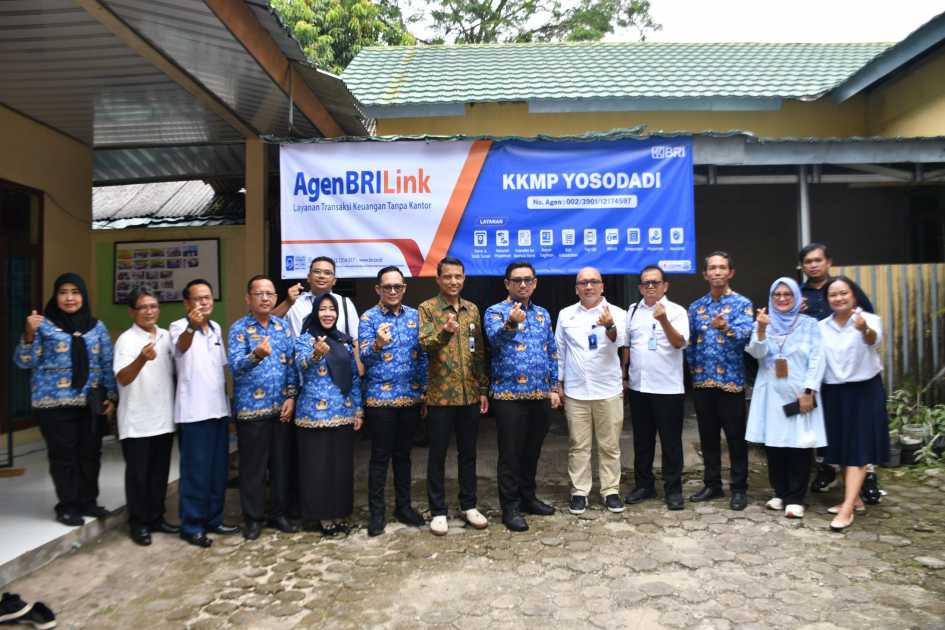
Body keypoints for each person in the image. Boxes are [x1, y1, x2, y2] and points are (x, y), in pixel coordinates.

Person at [13, 273, 117, 527]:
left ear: (84, 296)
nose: (70, 298)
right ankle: (68, 506)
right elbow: (24, 362)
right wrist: (29, 334)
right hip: (53, 403)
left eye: (75, 292)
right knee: (64, 456)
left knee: (90, 454)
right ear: (55, 296)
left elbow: (106, 363)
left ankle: (88, 501)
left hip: (90, 402)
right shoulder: (42, 325)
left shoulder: (97, 327)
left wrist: (112, 396)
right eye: (63, 292)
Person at [798, 243, 882, 504]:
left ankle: (866, 481)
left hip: (860, 378)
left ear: (828, 262)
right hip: (826, 377)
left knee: (860, 438)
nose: (813, 265)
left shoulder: (850, 294)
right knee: (834, 435)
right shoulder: (799, 295)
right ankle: (830, 474)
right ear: (802, 266)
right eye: (808, 261)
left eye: (818, 260)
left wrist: (863, 328)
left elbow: (872, 334)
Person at [484, 262, 561, 532]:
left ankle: (528, 498)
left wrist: (554, 388)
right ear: (507, 284)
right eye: (517, 280)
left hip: (540, 394)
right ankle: (510, 507)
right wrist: (511, 323)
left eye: (528, 279)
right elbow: (494, 341)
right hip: (509, 397)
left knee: (532, 451)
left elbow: (551, 351)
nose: (523, 284)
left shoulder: (542, 314)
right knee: (511, 454)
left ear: (535, 282)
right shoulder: (495, 311)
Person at [418, 257, 490, 536]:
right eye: (447, 276)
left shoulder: (472, 309)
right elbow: (425, 345)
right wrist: (445, 333)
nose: (453, 281)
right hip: (440, 396)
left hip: (469, 393)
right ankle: (438, 510)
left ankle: (468, 504)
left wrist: (482, 388)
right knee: (437, 454)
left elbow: (479, 351)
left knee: (468, 453)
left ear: (464, 278)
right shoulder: (427, 308)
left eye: (458, 276)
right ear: (438, 279)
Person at [744, 278, 827, 519]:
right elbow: (757, 353)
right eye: (777, 294)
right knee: (774, 445)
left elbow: (817, 358)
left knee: (798, 446)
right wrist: (761, 329)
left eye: (787, 294)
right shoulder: (763, 322)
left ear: (797, 297)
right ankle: (780, 493)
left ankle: (796, 498)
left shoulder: (810, 324)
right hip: (770, 392)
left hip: (798, 391)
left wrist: (809, 391)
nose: (782, 298)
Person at [227, 275, 299, 540]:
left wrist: (291, 396)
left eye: (270, 293)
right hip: (251, 410)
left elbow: (291, 365)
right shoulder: (239, 329)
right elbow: (235, 366)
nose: (266, 298)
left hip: (281, 409)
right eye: (260, 293)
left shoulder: (282, 327)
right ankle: (253, 518)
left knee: (281, 466)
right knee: (253, 469)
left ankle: (279, 514)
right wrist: (255, 355)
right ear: (248, 298)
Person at [358, 266, 428, 537]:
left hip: (409, 398)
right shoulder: (369, 318)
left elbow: (422, 357)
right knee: (379, 458)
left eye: (397, 286)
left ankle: (403, 507)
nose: (392, 291)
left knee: (403, 456)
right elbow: (364, 358)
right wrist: (377, 344)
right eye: (387, 287)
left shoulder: (414, 316)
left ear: (404, 289)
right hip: (380, 400)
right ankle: (377, 513)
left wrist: (424, 389)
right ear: (378, 289)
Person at [170, 279, 240, 547]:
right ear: (187, 303)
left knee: (217, 470)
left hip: (218, 411)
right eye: (198, 299)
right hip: (193, 414)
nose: (203, 303)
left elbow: (220, 371)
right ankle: (192, 525)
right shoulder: (179, 327)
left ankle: (214, 518)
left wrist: (228, 410)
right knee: (195, 473)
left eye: (207, 298)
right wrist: (191, 325)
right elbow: (182, 346)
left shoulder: (216, 328)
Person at [819, 276, 889, 531]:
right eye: (833, 295)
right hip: (833, 392)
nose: (838, 298)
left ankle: (847, 509)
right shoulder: (821, 327)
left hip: (863, 390)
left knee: (858, 448)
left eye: (843, 293)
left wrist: (863, 329)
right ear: (827, 300)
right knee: (841, 446)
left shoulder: (869, 320)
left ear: (854, 295)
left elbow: (874, 340)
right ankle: (855, 499)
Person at [555, 266, 627, 515]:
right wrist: (558, 383)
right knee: (578, 446)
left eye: (593, 282)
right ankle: (579, 492)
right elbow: (559, 351)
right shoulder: (565, 315)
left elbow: (621, 341)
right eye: (583, 283)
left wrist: (610, 326)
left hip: (608, 390)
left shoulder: (617, 313)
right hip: (576, 392)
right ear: (576, 289)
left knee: (609, 446)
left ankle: (610, 491)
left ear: (602, 286)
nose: (588, 286)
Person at [686, 251, 753, 511]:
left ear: (730, 272)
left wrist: (726, 328)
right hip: (703, 382)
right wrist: (694, 375)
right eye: (712, 268)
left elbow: (747, 337)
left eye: (722, 267)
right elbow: (690, 345)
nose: (717, 272)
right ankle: (712, 483)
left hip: (731, 382)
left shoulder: (742, 304)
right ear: (705, 274)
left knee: (735, 438)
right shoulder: (696, 307)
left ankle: (739, 488)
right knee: (708, 437)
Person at [113, 287, 178, 545]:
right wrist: (141, 359)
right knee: (138, 476)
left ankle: (156, 517)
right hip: (137, 421)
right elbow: (123, 378)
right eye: (143, 307)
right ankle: (138, 523)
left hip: (163, 417)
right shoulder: (126, 340)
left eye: (153, 306)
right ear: (132, 312)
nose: (149, 311)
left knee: (159, 474)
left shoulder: (166, 336)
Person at [294, 293, 363, 535]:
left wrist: (358, 410)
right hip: (313, 416)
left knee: (340, 468)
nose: (327, 313)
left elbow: (354, 377)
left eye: (331, 309)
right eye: (322, 309)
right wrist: (316, 353)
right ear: (315, 312)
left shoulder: (343, 341)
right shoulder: (304, 339)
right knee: (317, 468)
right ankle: (322, 517)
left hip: (343, 412)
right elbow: (301, 365)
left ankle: (340, 513)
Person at [623, 265, 689, 511]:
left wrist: (663, 320)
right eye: (646, 283)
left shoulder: (677, 311)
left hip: (668, 388)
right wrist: (624, 376)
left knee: (670, 442)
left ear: (665, 286)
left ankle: (673, 489)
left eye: (655, 282)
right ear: (640, 288)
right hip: (639, 387)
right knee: (642, 441)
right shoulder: (632, 311)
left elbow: (679, 342)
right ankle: (644, 485)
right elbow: (628, 346)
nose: (650, 286)